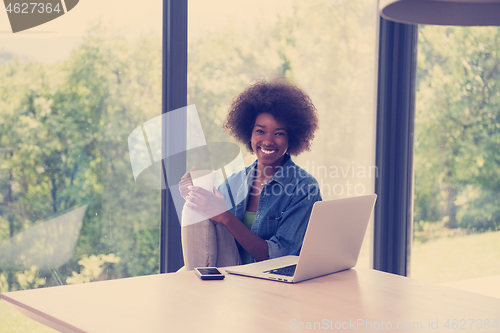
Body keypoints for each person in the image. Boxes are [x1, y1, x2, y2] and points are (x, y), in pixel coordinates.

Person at [179, 78, 321, 269]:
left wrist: (226, 217)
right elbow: (208, 233)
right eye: (260, 131)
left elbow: (281, 258)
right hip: (230, 275)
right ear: (249, 133)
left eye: (279, 133)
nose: (268, 141)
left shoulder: (304, 188)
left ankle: (195, 287)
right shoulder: (234, 183)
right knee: (194, 207)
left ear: (292, 137)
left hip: (269, 281)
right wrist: (195, 195)